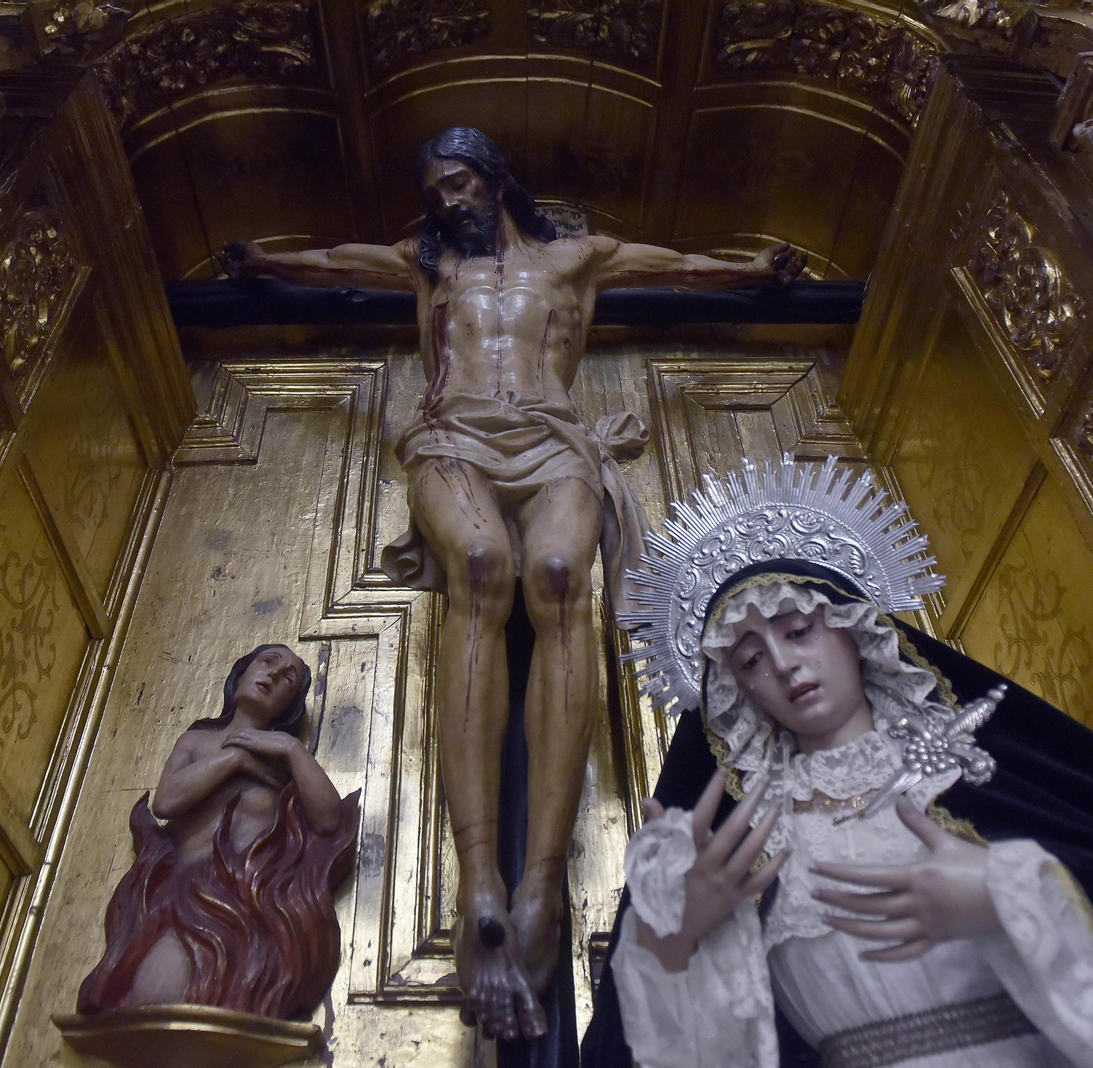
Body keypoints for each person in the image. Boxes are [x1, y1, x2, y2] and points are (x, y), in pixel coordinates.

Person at [219, 127, 804, 1040]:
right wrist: (260, 257)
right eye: (434, 188)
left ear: (495, 181)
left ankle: (539, 887)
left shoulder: (577, 260)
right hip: (455, 436)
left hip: (554, 438)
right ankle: (478, 872)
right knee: (483, 568)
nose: (445, 199)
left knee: (563, 575)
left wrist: (758, 274)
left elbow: (681, 266)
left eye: (458, 181)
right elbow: (336, 259)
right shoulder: (426, 265)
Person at [582, 458, 1093, 1068]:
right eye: (750, 660)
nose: (784, 665)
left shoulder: (984, 769)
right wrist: (675, 941)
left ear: (854, 632)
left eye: (799, 631)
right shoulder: (745, 843)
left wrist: (1014, 894)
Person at [76, 645, 359, 1019]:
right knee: (156, 993)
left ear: (289, 707)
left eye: (288, 678)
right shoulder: (197, 741)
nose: (274, 675)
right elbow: (166, 802)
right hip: (180, 894)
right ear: (240, 674)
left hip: (250, 902)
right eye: (268, 661)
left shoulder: (284, 759)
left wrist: (291, 749)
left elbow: (328, 820)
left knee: (224, 998)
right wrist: (236, 757)